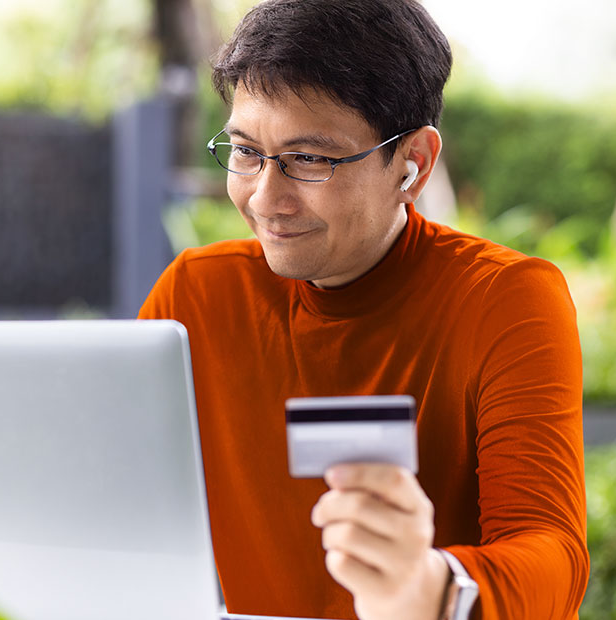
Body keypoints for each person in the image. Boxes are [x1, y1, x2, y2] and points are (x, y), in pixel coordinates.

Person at [139, 0, 589, 618]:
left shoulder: (504, 299)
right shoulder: (195, 295)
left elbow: (553, 552)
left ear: (413, 164)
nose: (267, 198)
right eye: (246, 152)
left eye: (310, 160)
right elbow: (116, 500)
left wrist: (434, 588)